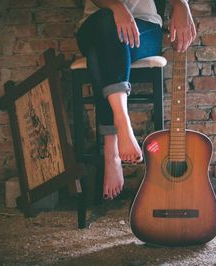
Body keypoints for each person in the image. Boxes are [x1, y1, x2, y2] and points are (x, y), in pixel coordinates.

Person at [75, 0, 196, 200]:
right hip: (96, 25)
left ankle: (111, 151)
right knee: (108, 20)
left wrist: (181, 4)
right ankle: (123, 126)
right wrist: (117, 7)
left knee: (98, 56)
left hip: (144, 26)